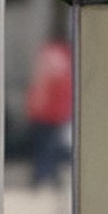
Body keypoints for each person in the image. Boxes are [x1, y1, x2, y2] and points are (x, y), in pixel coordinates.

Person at [26, 37, 73, 188]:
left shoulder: (49, 59)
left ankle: (44, 176)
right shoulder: (61, 60)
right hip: (52, 113)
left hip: (48, 113)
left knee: (46, 147)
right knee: (49, 147)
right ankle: (46, 176)